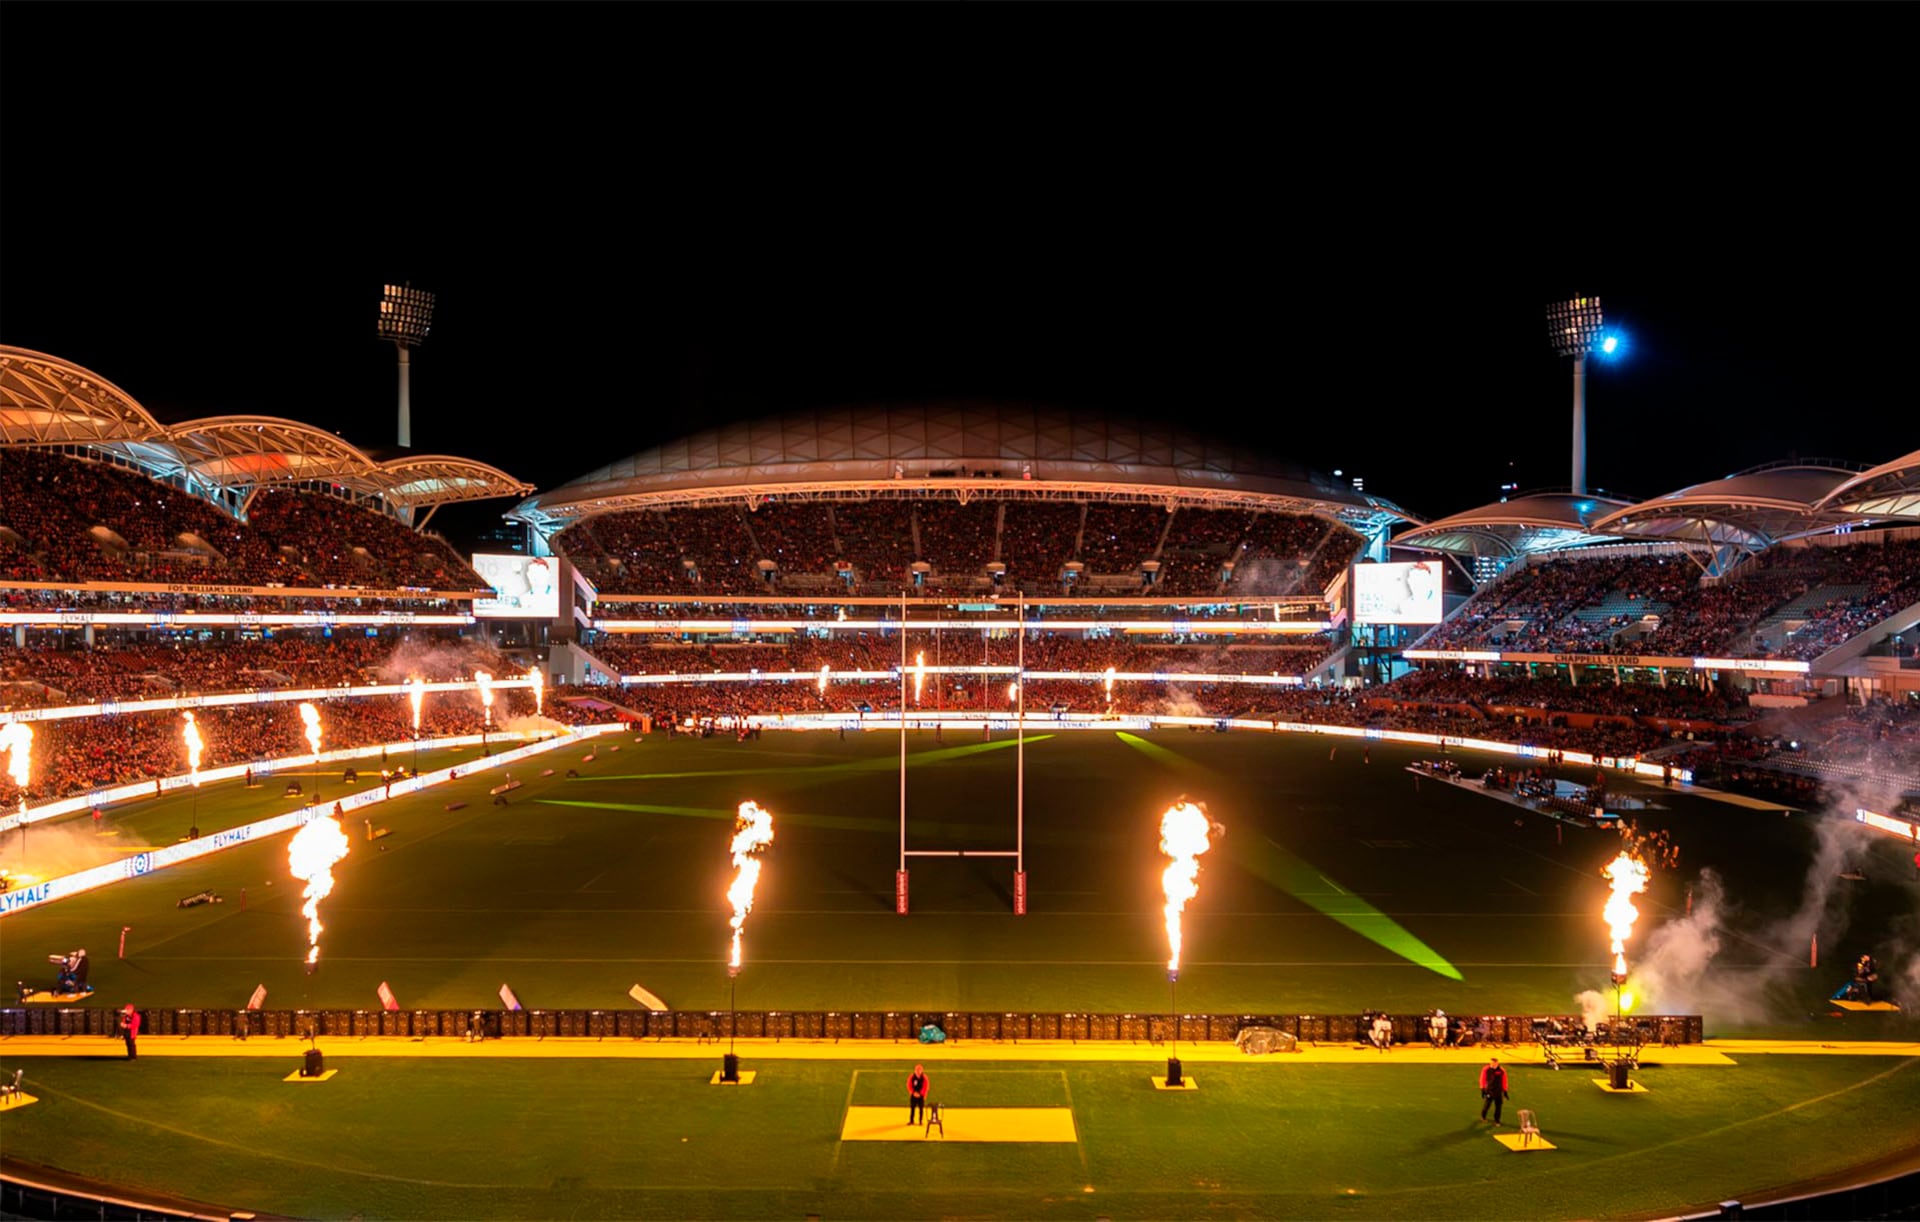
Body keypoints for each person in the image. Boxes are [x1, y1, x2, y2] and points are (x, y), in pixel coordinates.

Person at [1479, 1056, 1508, 1123]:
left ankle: (1497, 1120)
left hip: (1498, 1091)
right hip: (1489, 1091)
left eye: (1494, 1064)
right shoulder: (1486, 1069)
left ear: (1497, 1064)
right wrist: (1482, 1089)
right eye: (1491, 1064)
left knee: (1498, 1107)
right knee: (1487, 1105)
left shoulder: (1502, 1070)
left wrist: (1505, 1091)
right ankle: (1483, 1116)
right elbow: (1482, 1079)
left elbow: (1504, 1081)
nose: (1492, 1065)